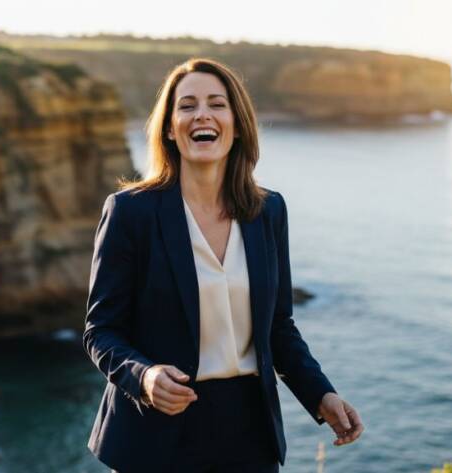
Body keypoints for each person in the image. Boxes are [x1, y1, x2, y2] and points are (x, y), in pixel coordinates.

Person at [83, 57, 363, 473]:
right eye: (187, 105)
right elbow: (101, 330)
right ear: (170, 128)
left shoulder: (268, 210)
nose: (202, 114)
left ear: (237, 124)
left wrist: (320, 394)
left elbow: (278, 326)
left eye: (217, 104)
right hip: (155, 433)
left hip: (249, 432)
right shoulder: (130, 212)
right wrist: (143, 377)